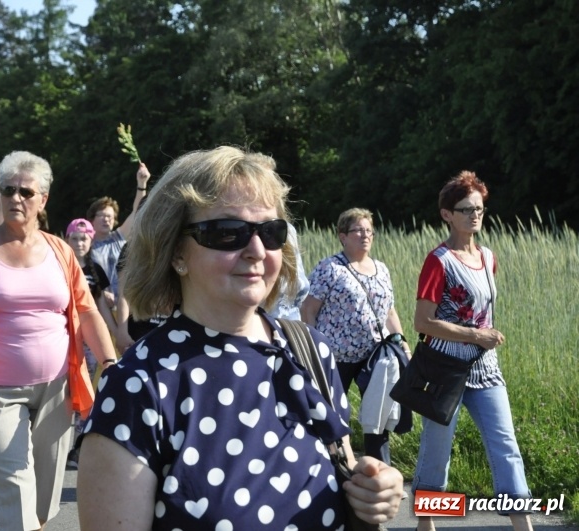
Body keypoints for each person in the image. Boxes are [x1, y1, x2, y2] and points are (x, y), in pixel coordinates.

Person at [77, 146, 403, 530]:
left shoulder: (310, 351)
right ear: (176, 253)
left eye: (271, 231)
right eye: (228, 233)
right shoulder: (137, 385)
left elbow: (343, 465)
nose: (256, 250)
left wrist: (373, 490)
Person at [0, 151, 117, 531]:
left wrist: (111, 364)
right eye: (7, 190)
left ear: (42, 199)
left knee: (42, 499)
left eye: (26, 192)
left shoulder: (61, 251)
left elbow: (87, 312)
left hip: (58, 388)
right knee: (15, 489)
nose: (15, 198)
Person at [412, 171, 533, 531]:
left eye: (478, 208)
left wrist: (482, 339)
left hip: (486, 370)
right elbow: (422, 322)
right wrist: (476, 334)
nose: (474, 215)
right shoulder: (438, 261)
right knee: (437, 451)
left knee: (506, 444)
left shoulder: (488, 257)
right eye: (466, 209)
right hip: (444, 369)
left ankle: (523, 525)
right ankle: (426, 524)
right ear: (447, 215)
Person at [301, 208, 410, 466]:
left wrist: (402, 341)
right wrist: (314, 350)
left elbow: (389, 310)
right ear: (342, 236)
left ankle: (377, 470)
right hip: (335, 357)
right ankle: (332, 468)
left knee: (378, 415)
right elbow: (308, 309)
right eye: (358, 230)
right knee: (332, 414)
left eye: (369, 230)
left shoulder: (381, 269)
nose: (365, 235)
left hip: (375, 356)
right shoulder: (330, 268)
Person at [64, 217, 118, 468]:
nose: (79, 243)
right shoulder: (60, 264)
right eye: (74, 238)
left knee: (87, 392)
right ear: (67, 239)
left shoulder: (96, 269)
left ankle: (78, 446)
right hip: (64, 339)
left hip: (88, 341)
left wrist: (116, 333)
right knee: (64, 393)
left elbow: (100, 308)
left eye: (84, 238)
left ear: (91, 241)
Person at [87, 162, 151, 305]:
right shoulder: (85, 245)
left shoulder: (118, 237)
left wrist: (142, 183)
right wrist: (101, 292)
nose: (106, 219)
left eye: (110, 216)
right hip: (100, 305)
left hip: (125, 304)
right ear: (91, 219)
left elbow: (138, 212)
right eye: (102, 216)